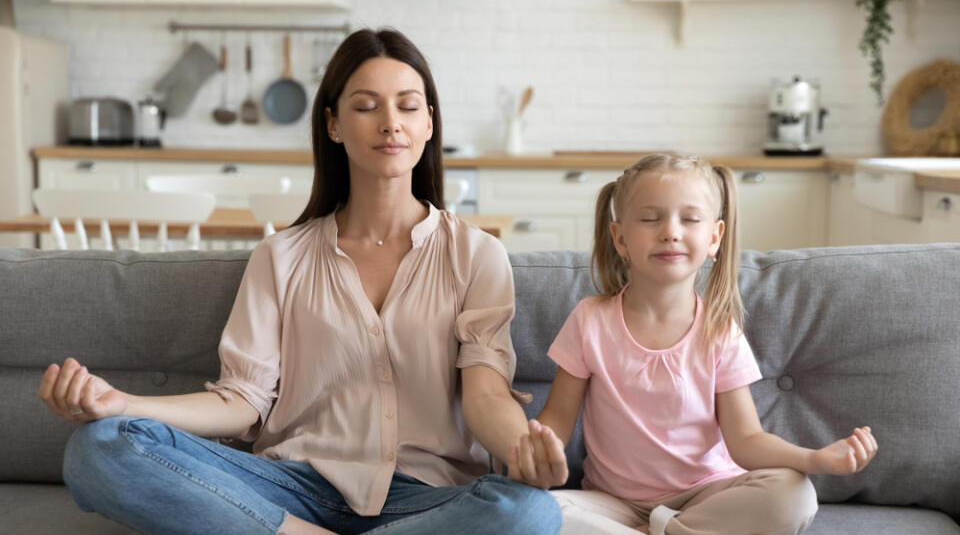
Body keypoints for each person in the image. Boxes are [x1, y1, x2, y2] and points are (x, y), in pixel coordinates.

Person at [37, 28, 561, 535]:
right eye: (365, 105)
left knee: (530, 513)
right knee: (99, 446)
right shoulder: (280, 257)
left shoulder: (477, 255)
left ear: (428, 123)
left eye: (407, 105)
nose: (390, 123)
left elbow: (485, 397)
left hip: (427, 496)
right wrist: (121, 403)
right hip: (289, 487)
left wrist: (526, 451)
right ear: (333, 124)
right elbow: (241, 400)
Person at [510, 153, 878, 535]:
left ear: (714, 238)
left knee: (794, 494)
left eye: (690, 219)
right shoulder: (589, 319)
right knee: (541, 511)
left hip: (707, 497)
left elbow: (746, 440)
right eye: (651, 219)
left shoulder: (720, 329)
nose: (670, 231)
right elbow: (554, 422)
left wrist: (816, 459)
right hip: (613, 503)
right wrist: (532, 455)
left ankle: (666, 529)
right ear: (620, 238)